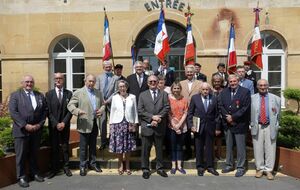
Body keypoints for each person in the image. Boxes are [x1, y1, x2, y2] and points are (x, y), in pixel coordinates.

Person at [9, 75, 47, 188]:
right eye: (27, 82)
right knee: (20, 156)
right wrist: (25, 125)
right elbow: (13, 112)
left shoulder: (39, 95)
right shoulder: (15, 95)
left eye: (31, 82)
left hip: (36, 130)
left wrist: (39, 124)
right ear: (22, 83)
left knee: (34, 154)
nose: (29, 84)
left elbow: (45, 111)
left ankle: (34, 173)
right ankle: (21, 177)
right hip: (21, 131)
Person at [67, 74, 105, 176]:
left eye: (93, 81)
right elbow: (70, 105)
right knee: (83, 147)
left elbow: (103, 104)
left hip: (95, 123)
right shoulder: (79, 93)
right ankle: (83, 166)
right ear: (85, 81)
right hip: (84, 123)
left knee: (93, 146)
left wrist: (101, 110)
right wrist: (77, 111)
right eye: (89, 81)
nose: (91, 83)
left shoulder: (98, 93)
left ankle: (92, 163)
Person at [218, 74, 251, 177]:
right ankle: (229, 165)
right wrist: (227, 117)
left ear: (238, 81)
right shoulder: (223, 92)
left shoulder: (245, 92)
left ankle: (240, 167)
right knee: (229, 146)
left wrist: (233, 117)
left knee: (241, 147)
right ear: (228, 82)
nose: (232, 83)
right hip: (228, 124)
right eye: (231, 82)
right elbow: (220, 105)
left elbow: (245, 107)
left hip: (240, 124)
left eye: (234, 81)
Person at [138, 75, 170, 179]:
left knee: (159, 149)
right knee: (145, 150)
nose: (152, 83)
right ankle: (145, 169)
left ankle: (160, 168)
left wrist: (159, 118)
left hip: (160, 126)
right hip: (147, 126)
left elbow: (166, 107)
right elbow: (140, 110)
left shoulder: (164, 94)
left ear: (157, 82)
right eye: (150, 81)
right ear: (147, 83)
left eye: (154, 81)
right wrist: (152, 118)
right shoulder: (142, 95)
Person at [187, 82, 220, 176]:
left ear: (209, 90)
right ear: (200, 90)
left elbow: (217, 114)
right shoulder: (195, 98)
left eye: (207, 89)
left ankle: (210, 167)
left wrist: (217, 127)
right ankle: (200, 167)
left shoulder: (214, 98)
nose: (205, 91)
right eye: (203, 89)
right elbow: (190, 113)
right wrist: (191, 125)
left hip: (210, 127)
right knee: (199, 148)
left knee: (210, 148)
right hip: (198, 127)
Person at [250, 79, 281, 180]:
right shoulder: (252, 98)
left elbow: (279, 115)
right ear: (257, 87)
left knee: (270, 149)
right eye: (260, 85)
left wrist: (277, 125)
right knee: (258, 148)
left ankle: (269, 170)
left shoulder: (276, 99)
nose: (262, 87)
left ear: (268, 86)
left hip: (270, 126)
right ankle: (259, 169)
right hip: (257, 126)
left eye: (264, 85)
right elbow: (249, 114)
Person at [46, 73, 73, 178]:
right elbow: (48, 111)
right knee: (54, 147)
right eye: (56, 78)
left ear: (63, 80)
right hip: (53, 126)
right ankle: (54, 169)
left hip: (65, 126)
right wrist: (56, 123)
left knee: (65, 147)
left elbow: (70, 111)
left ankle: (66, 167)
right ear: (54, 80)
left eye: (60, 78)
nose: (58, 80)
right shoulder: (49, 94)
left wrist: (63, 123)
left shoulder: (69, 94)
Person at [109, 80, 138, 175]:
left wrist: (136, 122)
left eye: (124, 86)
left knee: (128, 147)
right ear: (118, 88)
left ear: (126, 87)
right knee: (119, 147)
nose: (122, 88)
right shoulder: (115, 98)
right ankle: (120, 164)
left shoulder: (132, 97)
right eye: (120, 86)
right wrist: (111, 124)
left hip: (129, 124)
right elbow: (112, 111)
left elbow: (135, 111)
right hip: (118, 124)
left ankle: (128, 165)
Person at [180, 65, 202, 160]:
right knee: (186, 134)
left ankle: (198, 153)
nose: (189, 73)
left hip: (196, 112)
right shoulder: (181, 83)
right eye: (187, 72)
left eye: (191, 72)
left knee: (197, 133)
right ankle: (188, 152)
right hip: (184, 112)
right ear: (185, 73)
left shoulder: (200, 83)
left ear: (194, 73)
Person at [95, 61, 119, 150]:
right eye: (106, 67)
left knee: (113, 123)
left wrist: (108, 101)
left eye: (109, 67)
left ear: (111, 67)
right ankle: (103, 142)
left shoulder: (116, 78)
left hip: (112, 103)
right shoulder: (99, 77)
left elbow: (116, 91)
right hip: (101, 103)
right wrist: (102, 100)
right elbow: (97, 90)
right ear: (103, 67)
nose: (108, 68)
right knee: (102, 123)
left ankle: (113, 142)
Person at [168, 82, 188, 175]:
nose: (176, 90)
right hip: (172, 126)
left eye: (178, 88)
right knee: (172, 147)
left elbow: (185, 113)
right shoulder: (169, 99)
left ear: (180, 89)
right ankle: (173, 166)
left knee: (180, 146)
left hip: (182, 126)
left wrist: (179, 124)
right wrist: (174, 125)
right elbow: (168, 113)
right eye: (174, 88)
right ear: (172, 89)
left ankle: (179, 166)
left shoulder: (184, 99)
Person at [211, 74, 224, 160]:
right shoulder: (209, 91)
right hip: (211, 118)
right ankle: (212, 155)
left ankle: (219, 155)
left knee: (219, 138)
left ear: (221, 82)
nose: (217, 83)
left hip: (222, 118)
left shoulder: (225, 91)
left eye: (218, 81)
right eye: (215, 81)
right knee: (211, 138)